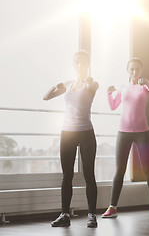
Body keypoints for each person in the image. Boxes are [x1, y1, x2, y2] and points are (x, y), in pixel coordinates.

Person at [101, 58, 149, 219]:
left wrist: (145, 81)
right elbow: (113, 106)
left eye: (137, 69)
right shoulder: (123, 88)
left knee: (148, 170)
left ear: (141, 70)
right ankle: (112, 207)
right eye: (132, 69)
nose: (134, 72)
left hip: (143, 132)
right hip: (124, 132)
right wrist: (109, 93)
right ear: (127, 70)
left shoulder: (145, 87)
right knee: (119, 171)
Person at [44, 50, 99, 228]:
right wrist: (56, 85)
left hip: (85, 132)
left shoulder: (91, 83)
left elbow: (94, 86)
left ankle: (92, 215)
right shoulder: (67, 84)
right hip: (67, 132)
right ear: (73, 64)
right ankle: (64, 214)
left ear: (87, 65)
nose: (79, 65)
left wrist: (89, 82)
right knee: (67, 175)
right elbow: (46, 97)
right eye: (76, 62)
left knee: (89, 175)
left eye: (83, 62)